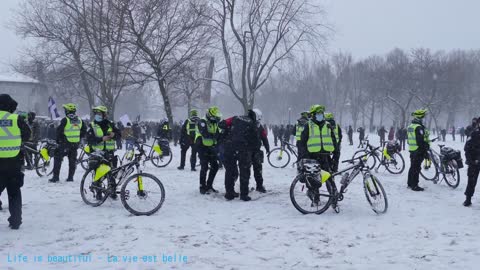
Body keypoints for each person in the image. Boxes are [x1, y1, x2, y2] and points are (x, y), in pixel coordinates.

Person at [0, 94, 31, 229]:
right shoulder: (16, 119)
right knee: (14, 192)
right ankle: (15, 221)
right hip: (14, 162)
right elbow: (27, 135)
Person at [298, 104, 337, 205]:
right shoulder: (308, 125)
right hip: (312, 157)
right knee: (314, 180)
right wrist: (303, 157)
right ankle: (316, 199)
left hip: (325, 156)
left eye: (321, 113)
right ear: (313, 115)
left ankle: (334, 198)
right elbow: (302, 142)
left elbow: (334, 141)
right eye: (318, 113)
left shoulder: (328, 125)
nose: (320, 115)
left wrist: (335, 156)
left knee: (329, 177)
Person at [223, 109, 261, 201]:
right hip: (243, 150)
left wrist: (228, 135)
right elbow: (256, 141)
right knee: (244, 172)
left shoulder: (235, 118)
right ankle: (244, 195)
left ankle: (229, 193)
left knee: (230, 171)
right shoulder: (253, 124)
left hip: (230, 147)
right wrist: (255, 151)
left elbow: (222, 124)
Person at [86, 106, 121, 197]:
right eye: (96, 114)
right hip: (97, 153)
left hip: (109, 152)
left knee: (112, 173)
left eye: (100, 113)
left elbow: (119, 135)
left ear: (104, 115)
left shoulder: (111, 124)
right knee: (98, 173)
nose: (97, 115)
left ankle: (112, 191)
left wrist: (114, 135)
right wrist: (101, 139)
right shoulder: (92, 125)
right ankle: (98, 192)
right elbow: (89, 139)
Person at [49, 103, 87, 183]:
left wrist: (59, 140)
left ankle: (55, 177)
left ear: (67, 111)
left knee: (57, 158)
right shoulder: (80, 120)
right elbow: (84, 131)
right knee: (72, 161)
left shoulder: (65, 120)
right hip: (75, 144)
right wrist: (78, 138)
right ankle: (70, 177)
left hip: (65, 144)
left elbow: (59, 131)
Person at [196, 106, 222, 195]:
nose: (217, 119)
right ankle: (202, 186)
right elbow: (206, 134)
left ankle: (209, 185)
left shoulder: (214, 122)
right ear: (210, 115)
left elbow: (218, 133)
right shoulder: (202, 122)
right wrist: (216, 137)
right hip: (201, 146)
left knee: (215, 165)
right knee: (204, 166)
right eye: (215, 117)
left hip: (211, 146)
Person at [407, 109, 430, 191]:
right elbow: (420, 141)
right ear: (420, 118)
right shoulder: (418, 127)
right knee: (416, 168)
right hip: (418, 150)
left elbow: (409, 139)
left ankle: (410, 183)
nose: (423, 119)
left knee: (412, 167)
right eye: (423, 117)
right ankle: (415, 185)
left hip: (412, 149)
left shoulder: (410, 126)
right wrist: (425, 148)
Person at [251, 109, 269, 193]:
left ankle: (259, 185)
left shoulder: (260, 126)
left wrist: (267, 148)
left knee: (258, 170)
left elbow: (264, 137)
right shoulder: (250, 124)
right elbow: (264, 137)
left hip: (255, 151)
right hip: (248, 151)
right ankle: (244, 187)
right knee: (247, 170)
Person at [464, 125, 480, 206]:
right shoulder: (474, 134)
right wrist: (471, 161)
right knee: (471, 181)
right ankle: (468, 199)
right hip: (474, 162)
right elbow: (466, 148)